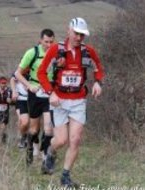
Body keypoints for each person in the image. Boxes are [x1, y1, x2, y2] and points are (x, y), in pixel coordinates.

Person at [37, 17, 104, 187]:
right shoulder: (55, 50)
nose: (79, 38)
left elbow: (98, 67)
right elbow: (41, 73)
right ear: (69, 31)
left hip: (78, 100)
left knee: (75, 140)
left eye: (82, 35)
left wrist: (98, 82)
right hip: (59, 101)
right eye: (77, 34)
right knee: (61, 140)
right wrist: (50, 93)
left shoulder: (88, 51)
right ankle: (50, 152)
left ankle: (65, 176)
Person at [15, 28, 55, 166]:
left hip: (49, 92)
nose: (49, 45)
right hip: (35, 92)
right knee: (34, 129)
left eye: (51, 42)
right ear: (40, 40)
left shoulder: (56, 53)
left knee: (49, 128)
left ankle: (45, 157)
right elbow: (17, 74)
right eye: (46, 42)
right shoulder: (32, 53)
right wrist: (28, 85)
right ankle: (31, 148)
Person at [10, 71, 29, 148]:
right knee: (23, 121)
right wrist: (14, 91)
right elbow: (12, 79)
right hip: (20, 100)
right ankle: (22, 137)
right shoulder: (18, 72)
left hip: (31, 100)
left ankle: (27, 137)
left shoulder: (34, 71)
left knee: (29, 123)